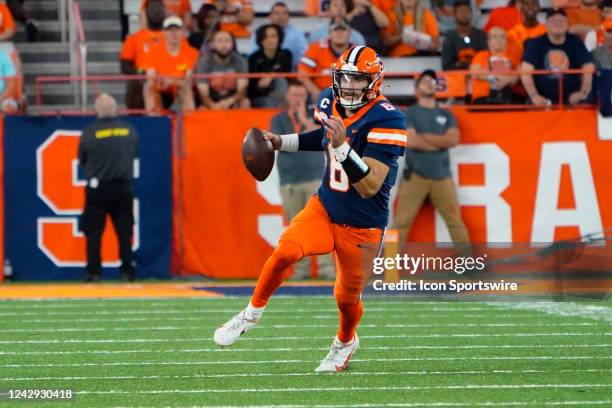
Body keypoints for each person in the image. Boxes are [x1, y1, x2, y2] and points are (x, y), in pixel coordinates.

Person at [214, 46, 409, 373]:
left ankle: (345, 342)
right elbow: (323, 136)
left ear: (373, 82)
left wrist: (343, 147)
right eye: (344, 77)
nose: (347, 86)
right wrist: (281, 142)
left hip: (363, 224)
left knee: (346, 300)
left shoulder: (389, 118)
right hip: (325, 206)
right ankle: (250, 313)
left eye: (357, 80)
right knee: (286, 251)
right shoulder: (328, 101)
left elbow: (370, 185)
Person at [393, 69, 470, 251]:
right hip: (415, 176)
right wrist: (439, 142)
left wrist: (424, 137)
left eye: (432, 81)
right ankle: (389, 270)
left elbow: (453, 140)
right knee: (400, 223)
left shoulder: (448, 115)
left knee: (455, 222)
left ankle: (470, 267)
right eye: (425, 81)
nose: (429, 83)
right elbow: (411, 141)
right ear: (416, 89)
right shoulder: (408, 114)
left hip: (442, 177)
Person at [271, 81, 335, 280]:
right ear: (287, 97)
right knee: (295, 228)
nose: (298, 98)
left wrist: (301, 118)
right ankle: (301, 270)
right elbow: (279, 143)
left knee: (322, 225)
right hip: (290, 180)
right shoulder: (278, 119)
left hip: (315, 178)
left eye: (301, 94)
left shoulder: (316, 118)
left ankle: (326, 269)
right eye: (294, 94)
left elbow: (320, 137)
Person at [78, 94, 138, 283]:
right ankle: (127, 271)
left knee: (94, 232)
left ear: (96, 110)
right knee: (125, 231)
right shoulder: (128, 130)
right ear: (115, 109)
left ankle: (94, 272)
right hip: (123, 187)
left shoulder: (89, 133)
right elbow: (135, 153)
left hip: (98, 188)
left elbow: (82, 159)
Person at [521, 9, 595, 105]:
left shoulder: (575, 41)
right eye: (553, 21)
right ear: (546, 25)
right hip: (542, 101)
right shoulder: (536, 43)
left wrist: (583, 93)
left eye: (561, 21)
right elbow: (525, 71)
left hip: (572, 101)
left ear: (567, 24)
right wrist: (534, 96)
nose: (558, 23)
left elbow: (588, 67)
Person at [143, 16, 199, 113]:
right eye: (170, 30)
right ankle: (153, 120)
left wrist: (172, 81)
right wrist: (164, 82)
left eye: (177, 30)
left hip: (180, 88)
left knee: (186, 90)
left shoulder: (192, 53)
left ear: (182, 32)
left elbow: (188, 80)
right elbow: (151, 77)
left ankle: (190, 122)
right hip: (161, 88)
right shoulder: (152, 52)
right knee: (148, 87)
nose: (174, 34)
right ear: (163, 33)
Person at [120, 0, 166, 110]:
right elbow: (125, 67)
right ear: (145, 13)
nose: (156, 12)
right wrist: (143, 73)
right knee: (138, 84)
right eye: (153, 8)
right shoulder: (134, 39)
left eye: (159, 8)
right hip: (143, 81)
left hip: (167, 81)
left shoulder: (173, 38)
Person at [299, 17, 353, 102]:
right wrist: (315, 92)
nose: (339, 33)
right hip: (319, 95)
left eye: (343, 29)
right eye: (335, 30)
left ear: (350, 32)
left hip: (349, 96)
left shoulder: (357, 52)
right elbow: (302, 74)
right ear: (329, 33)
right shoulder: (316, 48)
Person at [196, 30, 250, 110]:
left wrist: (228, 102)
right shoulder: (204, 62)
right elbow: (203, 94)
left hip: (233, 100)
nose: (224, 44)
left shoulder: (241, 61)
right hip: (211, 101)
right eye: (219, 40)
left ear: (232, 44)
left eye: (227, 41)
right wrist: (213, 106)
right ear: (213, 45)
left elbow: (242, 91)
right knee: (201, 109)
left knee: (245, 102)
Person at [247, 2, 308, 71]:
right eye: (276, 13)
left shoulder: (297, 33)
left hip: (289, 71)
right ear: (270, 16)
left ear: (289, 17)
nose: (280, 16)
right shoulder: (260, 32)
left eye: (284, 13)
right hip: (263, 72)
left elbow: (304, 56)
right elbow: (253, 55)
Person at [470, 27, 521, 103]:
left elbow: (518, 76)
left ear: (506, 41)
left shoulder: (514, 58)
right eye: (494, 37)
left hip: (509, 97)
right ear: (488, 41)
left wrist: (508, 80)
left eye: (502, 37)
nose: (498, 40)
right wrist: (495, 77)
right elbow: (474, 73)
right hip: (483, 97)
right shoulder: (481, 55)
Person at [248, 24, 292, 108]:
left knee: (281, 80)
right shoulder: (253, 58)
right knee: (270, 103)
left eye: (274, 36)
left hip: (282, 93)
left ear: (279, 38)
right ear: (261, 40)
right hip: (260, 96)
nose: (270, 40)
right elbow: (252, 87)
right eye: (266, 37)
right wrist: (261, 86)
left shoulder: (286, 54)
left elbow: (286, 73)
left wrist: (270, 77)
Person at [441, 0, 487, 71]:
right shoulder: (449, 38)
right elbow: (447, 66)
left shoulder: (482, 35)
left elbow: (485, 60)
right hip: (456, 78)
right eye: (461, 12)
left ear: (471, 14)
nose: (464, 14)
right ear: (454, 15)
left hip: (478, 76)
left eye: (467, 12)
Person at [0, 46, 17, 113]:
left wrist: (0, 98)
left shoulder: (4, 58)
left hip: (2, 97)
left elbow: (9, 84)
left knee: (9, 107)